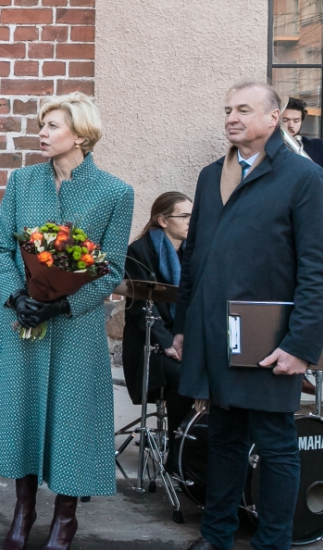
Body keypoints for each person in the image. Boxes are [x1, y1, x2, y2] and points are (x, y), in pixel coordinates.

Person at [171, 82, 323, 550]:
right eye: (228, 109)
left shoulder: (306, 179)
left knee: (275, 444)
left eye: (244, 109)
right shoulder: (211, 176)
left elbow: (320, 271)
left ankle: (272, 543)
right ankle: (216, 535)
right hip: (214, 332)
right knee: (223, 438)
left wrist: (300, 345)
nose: (232, 117)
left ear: (273, 118)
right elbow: (194, 258)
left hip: (269, 338)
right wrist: (183, 326)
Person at [0, 92, 132, 550]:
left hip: (76, 328)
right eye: (43, 125)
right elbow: (1, 247)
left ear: (81, 135)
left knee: (71, 419)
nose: (42, 133)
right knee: (22, 413)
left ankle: (65, 518)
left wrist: (62, 305)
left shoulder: (115, 192)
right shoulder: (23, 181)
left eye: (52, 126)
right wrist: (18, 296)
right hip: (21, 324)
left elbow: (112, 269)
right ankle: (23, 511)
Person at [122, 192, 194, 454]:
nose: (191, 221)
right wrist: (168, 343)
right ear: (163, 220)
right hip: (150, 345)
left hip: (183, 339)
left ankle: (197, 450)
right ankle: (177, 450)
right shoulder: (139, 251)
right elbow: (141, 310)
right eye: (184, 216)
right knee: (184, 377)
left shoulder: (191, 253)